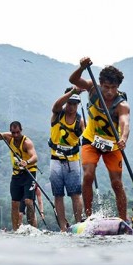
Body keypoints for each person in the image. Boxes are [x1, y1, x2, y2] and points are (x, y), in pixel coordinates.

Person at [69, 57, 130, 221]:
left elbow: (125, 123)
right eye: (106, 87)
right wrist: (82, 67)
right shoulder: (92, 88)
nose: (109, 92)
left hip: (113, 144)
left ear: (118, 87)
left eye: (113, 88)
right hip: (91, 140)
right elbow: (73, 80)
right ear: (100, 84)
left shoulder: (121, 104)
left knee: (116, 183)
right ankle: (88, 217)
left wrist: (123, 138)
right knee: (88, 175)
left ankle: (123, 220)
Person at [0, 119, 38, 231]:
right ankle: (15, 230)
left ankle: (33, 229)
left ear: (21, 130)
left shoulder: (27, 142)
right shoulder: (8, 137)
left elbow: (35, 156)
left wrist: (27, 162)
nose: (15, 135)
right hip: (16, 174)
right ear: (11, 131)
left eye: (18, 132)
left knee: (28, 201)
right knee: (15, 203)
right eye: (13, 133)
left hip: (29, 173)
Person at [48, 86, 85, 231]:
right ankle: (63, 227)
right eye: (69, 103)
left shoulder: (80, 122)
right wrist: (72, 92)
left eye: (74, 104)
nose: (71, 107)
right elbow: (56, 105)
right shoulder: (57, 114)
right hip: (56, 159)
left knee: (75, 194)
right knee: (58, 195)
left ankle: (78, 225)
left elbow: (87, 137)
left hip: (73, 161)